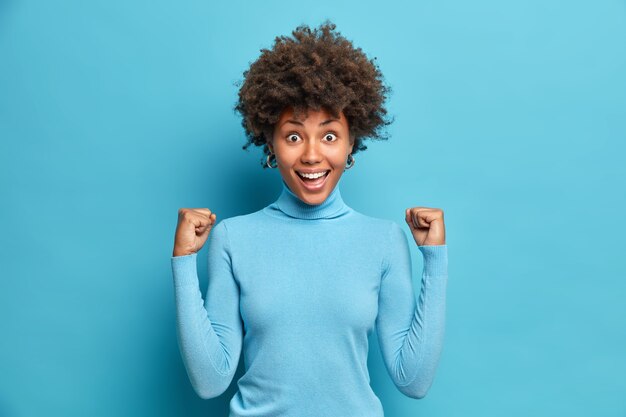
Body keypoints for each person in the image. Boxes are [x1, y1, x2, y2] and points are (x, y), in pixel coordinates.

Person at [170, 20, 448, 417]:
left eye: (330, 136)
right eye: (294, 136)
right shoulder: (233, 238)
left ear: (353, 141)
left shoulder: (385, 240)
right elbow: (210, 380)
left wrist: (435, 261)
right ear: (271, 142)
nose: (312, 155)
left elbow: (413, 379)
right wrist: (183, 260)